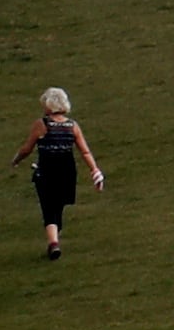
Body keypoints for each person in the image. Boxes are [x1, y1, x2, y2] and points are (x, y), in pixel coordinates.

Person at [9, 87, 103, 260]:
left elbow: (27, 148)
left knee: (48, 207)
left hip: (46, 170)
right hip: (67, 171)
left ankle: (53, 243)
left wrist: (16, 160)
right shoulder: (72, 126)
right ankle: (54, 239)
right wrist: (95, 170)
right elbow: (85, 152)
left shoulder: (42, 124)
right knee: (57, 206)